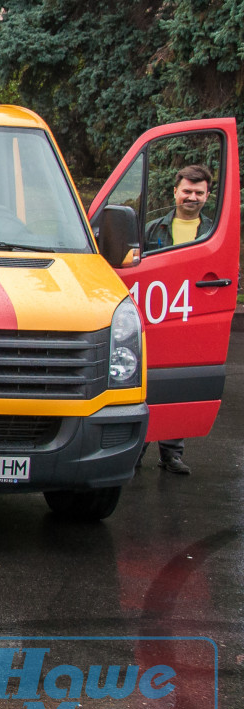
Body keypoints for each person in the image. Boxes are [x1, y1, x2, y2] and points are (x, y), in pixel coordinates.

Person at [141, 164, 215, 475]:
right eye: (187, 191)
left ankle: (171, 453)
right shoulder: (153, 229)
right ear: (175, 192)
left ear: (207, 195)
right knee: (147, 381)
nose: (192, 197)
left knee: (179, 383)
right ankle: (137, 449)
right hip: (154, 314)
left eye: (199, 192)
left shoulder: (212, 231)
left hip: (189, 315)